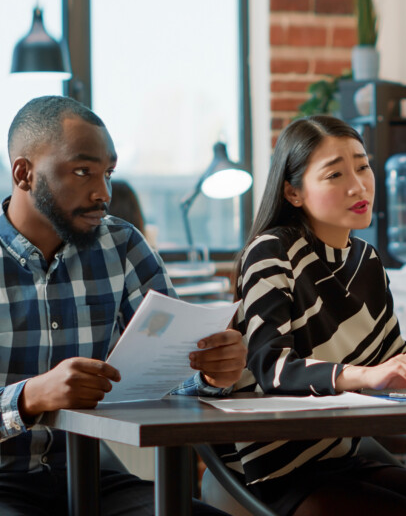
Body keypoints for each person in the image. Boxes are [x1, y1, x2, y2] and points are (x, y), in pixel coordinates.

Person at [227, 114, 406, 516]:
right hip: (274, 469)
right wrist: (363, 376)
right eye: (335, 175)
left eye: (362, 166)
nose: (358, 186)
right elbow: (272, 368)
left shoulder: (366, 261)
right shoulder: (271, 251)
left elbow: (390, 357)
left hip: (338, 456)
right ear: (293, 192)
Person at [0, 95, 247, 516]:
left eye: (108, 173)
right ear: (24, 174)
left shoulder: (123, 245)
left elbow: (168, 380)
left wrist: (209, 372)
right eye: (82, 172)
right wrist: (30, 397)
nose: (103, 193)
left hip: (89, 472)